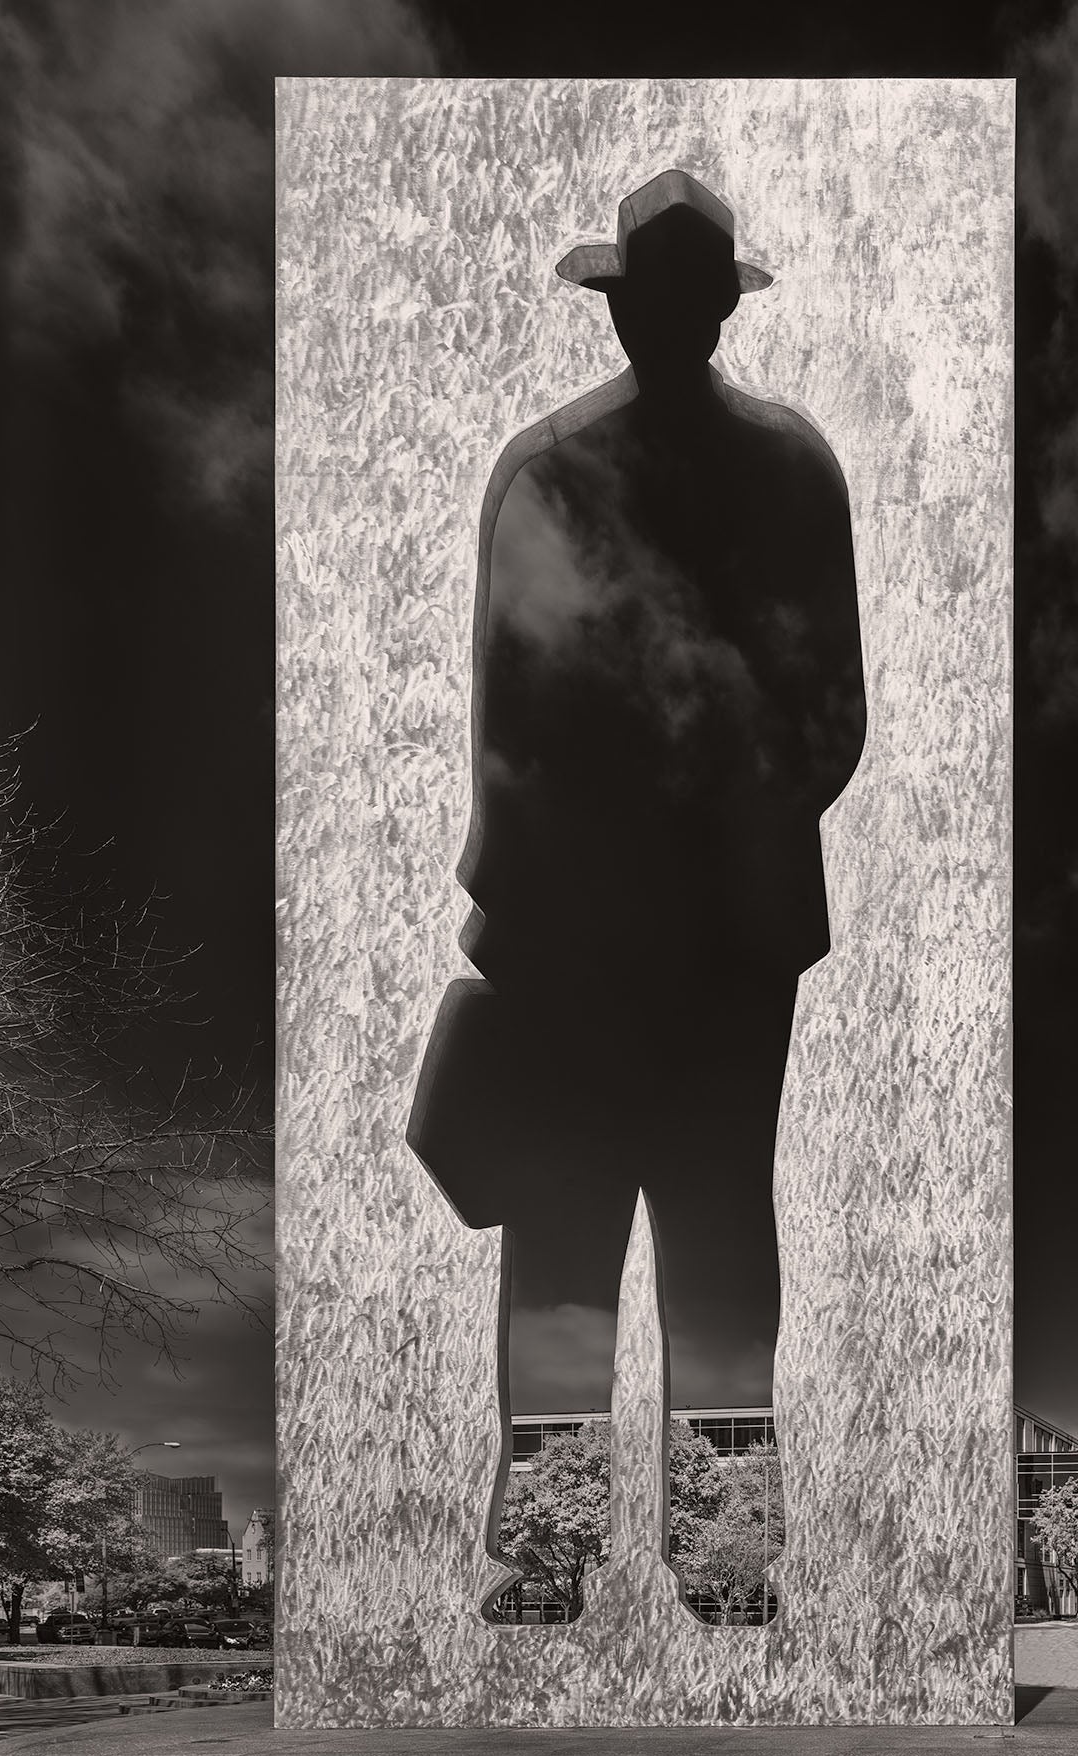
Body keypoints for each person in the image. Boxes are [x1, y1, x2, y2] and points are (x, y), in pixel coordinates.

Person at [408, 172, 866, 1445]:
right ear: (723, 308)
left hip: (575, 940)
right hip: (741, 935)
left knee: (564, 1233)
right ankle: (726, 1549)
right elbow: (835, 725)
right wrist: (733, 846)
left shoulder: (547, 469)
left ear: (619, 310)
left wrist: (521, 919)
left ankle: (551, 1552)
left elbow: (513, 737)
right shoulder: (796, 466)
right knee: (721, 1219)